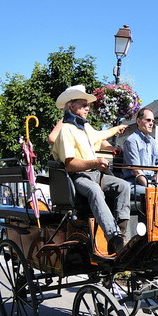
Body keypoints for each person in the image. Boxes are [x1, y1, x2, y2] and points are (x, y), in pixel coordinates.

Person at [49, 84, 129, 260]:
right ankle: (113, 237)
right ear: (71, 106)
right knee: (94, 190)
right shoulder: (66, 131)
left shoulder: (85, 128)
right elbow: (70, 164)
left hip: (96, 175)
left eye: (88, 105)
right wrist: (95, 162)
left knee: (124, 186)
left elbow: (100, 136)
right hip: (77, 177)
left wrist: (117, 129)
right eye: (83, 104)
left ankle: (121, 241)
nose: (87, 108)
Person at [121, 108, 158, 194]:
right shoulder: (132, 141)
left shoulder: (152, 141)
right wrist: (149, 186)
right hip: (133, 183)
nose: (151, 124)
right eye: (148, 120)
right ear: (138, 121)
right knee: (157, 194)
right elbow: (136, 170)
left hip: (150, 182)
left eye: (153, 121)